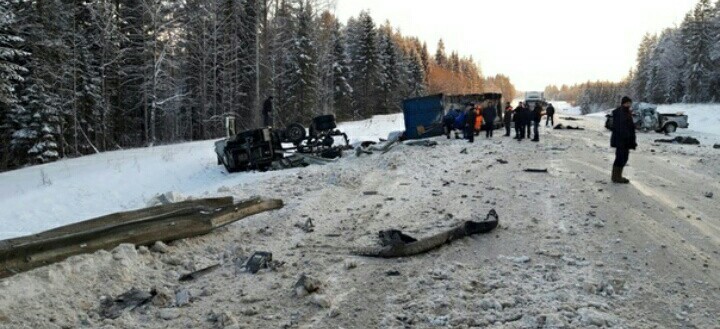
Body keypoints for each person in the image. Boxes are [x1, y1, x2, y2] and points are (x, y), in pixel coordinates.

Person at [610, 96, 637, 184]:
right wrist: (626, 137)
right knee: (620, 158)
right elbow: (620, 127)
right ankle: (616, 177)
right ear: (623, 103)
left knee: (624, 158)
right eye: (627, 103)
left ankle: (618, 176)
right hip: (621, 140)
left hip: (626, 140)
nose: (628, 104)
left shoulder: (626, 111)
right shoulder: (620, 112)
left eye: (629, 103)